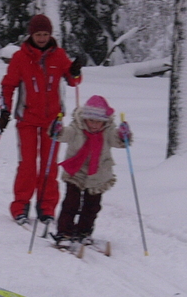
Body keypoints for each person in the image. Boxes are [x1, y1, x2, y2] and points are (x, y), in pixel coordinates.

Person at [0, 14, 82, 225]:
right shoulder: (20, 57)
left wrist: (76, 70)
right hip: (27, 119)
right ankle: (20, 207)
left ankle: (46, 209)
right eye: (38, 34)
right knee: (27, 164)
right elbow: (8, 85)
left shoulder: (59, 55)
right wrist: (4, 110)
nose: (42, 38)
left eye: (45, 34)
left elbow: (73, 81)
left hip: (53, 121)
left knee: (49, 166)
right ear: (31, 34)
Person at [50, 95, 132, 246]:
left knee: (92, 206)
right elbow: (64, 135)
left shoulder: (108, 131)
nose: (94, 125)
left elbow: (118, 141)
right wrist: (58, 130)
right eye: (91, 120)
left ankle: (83, 232)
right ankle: (64, 233)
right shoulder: (76, 128)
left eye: (98, 121)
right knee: (71, 203)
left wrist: (123, 135)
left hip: (98, 174)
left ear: (105, 121)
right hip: (76, 172)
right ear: (85, 118)